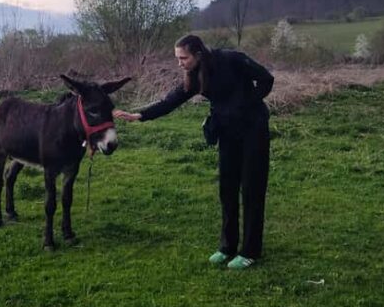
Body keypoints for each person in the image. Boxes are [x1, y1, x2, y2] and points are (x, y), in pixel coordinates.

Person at [114, 34, 274, 270]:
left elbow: (266, 79)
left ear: (198, 54)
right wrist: (140, 116)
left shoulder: (232, 59)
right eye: (178, 58)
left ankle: (250, 251)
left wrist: (245, 104)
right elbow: (171, 100)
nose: (180, 63)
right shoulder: (196, 76)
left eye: (183, 58)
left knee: (251, 190)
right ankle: (227, 247)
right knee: (227, 190)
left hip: (253, 130)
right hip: (227, 133)